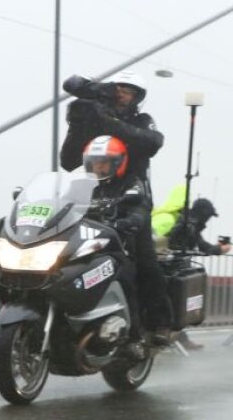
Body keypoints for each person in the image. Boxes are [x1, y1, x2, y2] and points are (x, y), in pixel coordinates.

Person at [60, 71, 172, 341]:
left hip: (131, 197)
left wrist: (107, 121)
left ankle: (159, 323)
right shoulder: (94, 118)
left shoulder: (141, 121)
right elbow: (69, 161)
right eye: (118, 88)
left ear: (137, 97)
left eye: (129, 90)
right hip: (90, 194)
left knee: (144, 262)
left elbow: (152, 142)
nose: (122, 94)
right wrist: (77, 122)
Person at [151, 188, 229, 350]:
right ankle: (168, 336)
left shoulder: (187, 222)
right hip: (171, 269)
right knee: (177, 303)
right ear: (204, 214)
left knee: (177, 304)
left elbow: (201, 245)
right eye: (208, 217)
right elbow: (198, 245)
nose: (207, 221)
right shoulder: (189, 223)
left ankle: (180, 339)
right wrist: (219, 249)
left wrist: (217, 249)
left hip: (168, 268)